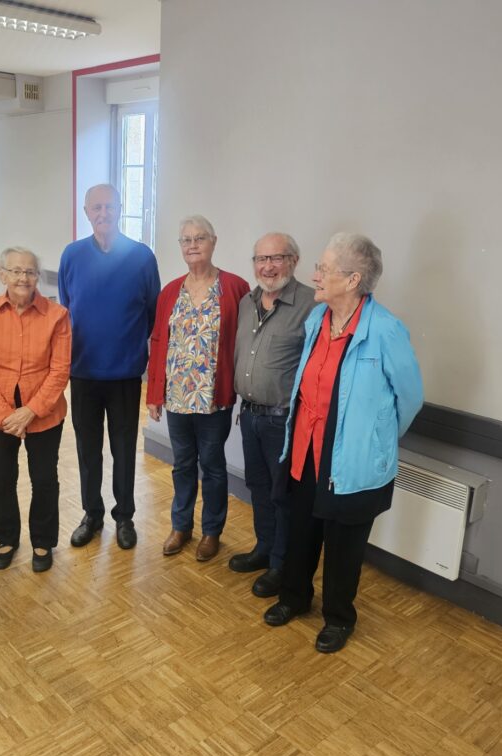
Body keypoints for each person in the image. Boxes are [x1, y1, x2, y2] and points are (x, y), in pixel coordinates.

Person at [263, 233, 423, 653]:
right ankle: (294, 598)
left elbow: (410, 398)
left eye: (324, 268)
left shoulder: (385, 331)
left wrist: (374, 441)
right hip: (305, 447)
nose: (315, 275)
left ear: (353, 280)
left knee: (344, 544)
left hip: (352, 459)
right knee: (301, 531)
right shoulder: (317, 320)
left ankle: (338, 617)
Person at [58, 184, 160, 550]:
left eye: (109, 206)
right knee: (88, 449)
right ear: (86, 212)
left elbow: (151, 314)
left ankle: (125, 517)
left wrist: (128, 345)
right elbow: (68, 308)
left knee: (123, 450)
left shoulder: (142, 257)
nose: (103, 213)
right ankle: (92, 514)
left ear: (120, 209)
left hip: (125, 374)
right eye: (96, 207)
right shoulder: (71, 255)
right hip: (83, 371)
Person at [146, 215, 250, 562]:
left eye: (199, 238)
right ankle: (181, 526)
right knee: (182, 465)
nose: (192, 245)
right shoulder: (170, 291)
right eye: (186, 240)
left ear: (213, 242)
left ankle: (211, 531)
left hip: (213, 400)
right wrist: (154, 394)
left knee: (214, 466)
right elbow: (160, 340)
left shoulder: (234, 287)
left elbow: (242, 342)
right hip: (177, 397)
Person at [0, 247, 71, 573]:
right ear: (2, 275)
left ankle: (43, 540)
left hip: (44, 413)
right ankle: (6, 538)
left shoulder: (57, 315)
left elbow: (60, 370)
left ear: (37, 277)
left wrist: (29, 411)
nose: (23, 278)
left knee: (44, 479)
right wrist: (5, 416)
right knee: (0, 479)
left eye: (29, 272)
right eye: (15, 271)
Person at [231, 232, 316, 598]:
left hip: (284, 420)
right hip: (248, 415)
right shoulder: (247, 302)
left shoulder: (311, 307)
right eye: (260, 259)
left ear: (294, 261)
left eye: (276, 258)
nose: (267, 266)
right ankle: (264, 548)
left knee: (284, 497)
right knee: (259, 488)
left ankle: (282, 565)